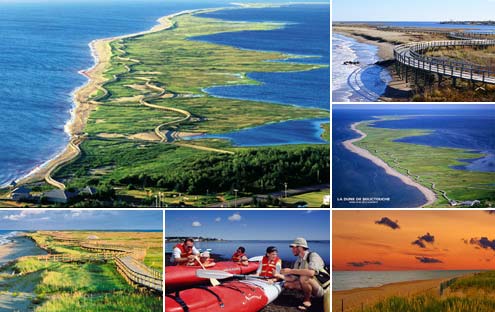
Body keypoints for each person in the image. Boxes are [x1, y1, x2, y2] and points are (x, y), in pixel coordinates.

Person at [281, 237, 326, 311]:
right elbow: (293, 278)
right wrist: (277, 276)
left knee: (304, 277)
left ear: (300, 247)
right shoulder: (298, 261)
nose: (292, 249)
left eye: (293, 247)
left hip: (321, 287)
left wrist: (290, 271)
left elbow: (311, 273)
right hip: (312, 284)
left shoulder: (313, 256)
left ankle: (307, 300)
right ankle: (308, 292)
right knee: (287, 284)